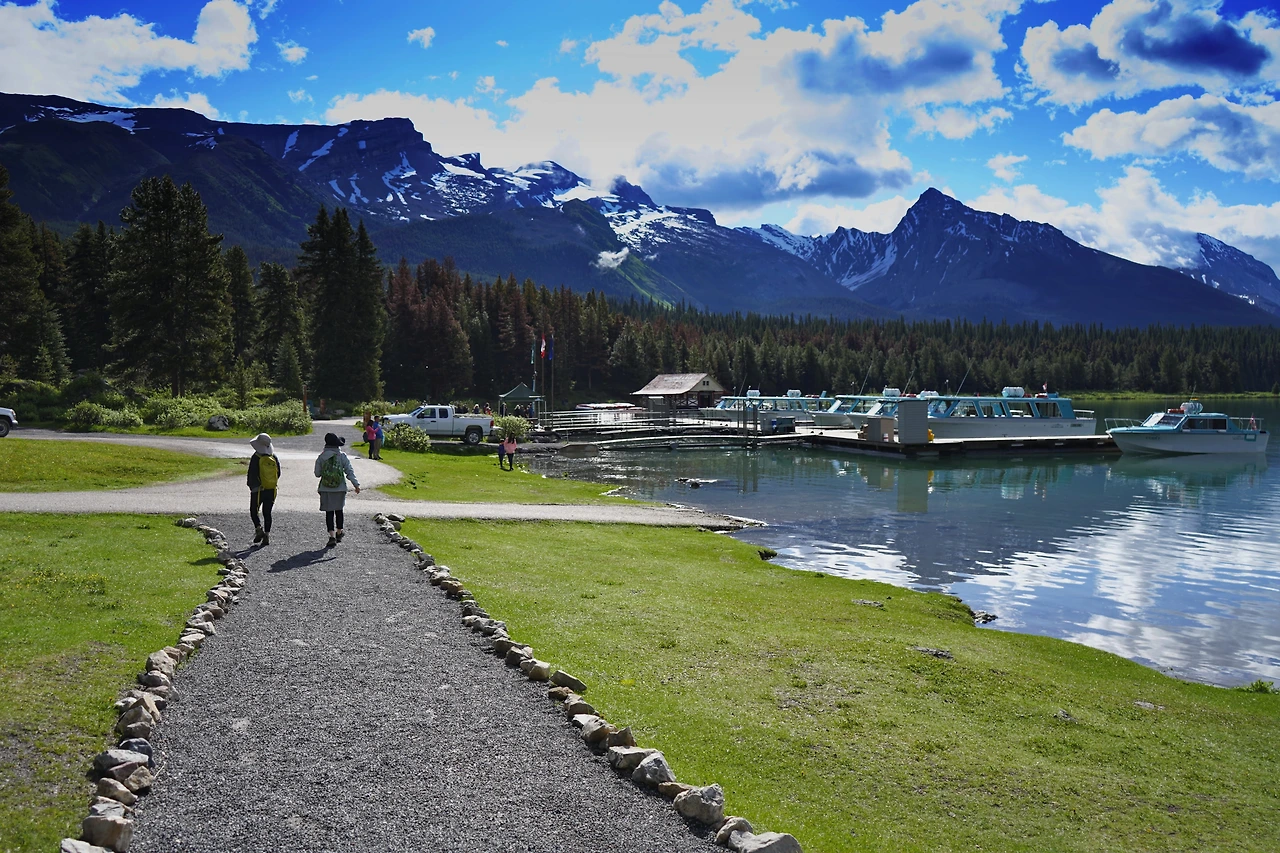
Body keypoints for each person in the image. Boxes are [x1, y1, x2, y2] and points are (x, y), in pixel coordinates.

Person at [314, 432, 360, 548]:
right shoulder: (342, 456)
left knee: (329, 512)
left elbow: (317, 474)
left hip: (325, 489)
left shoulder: (321, 456)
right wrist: (356, 484)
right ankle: (339, 532)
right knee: (339, 511)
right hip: (340, 488)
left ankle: (331, 536)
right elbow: (349, 470)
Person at [247, 433, 280, 547]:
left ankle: (258, 528)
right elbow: (278, 473)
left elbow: (251, 473)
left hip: (258, 489)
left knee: (254, 511)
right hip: (271, 489)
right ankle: (267, 535)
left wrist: (251, 485)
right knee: (267, 512)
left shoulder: (256, 457)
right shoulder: (273, 457)